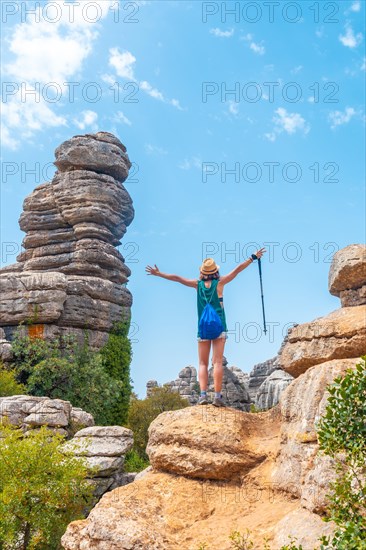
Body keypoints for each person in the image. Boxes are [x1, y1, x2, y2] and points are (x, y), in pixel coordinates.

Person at [145, 247, 266, 407]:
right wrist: (253, 258)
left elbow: (177, 278)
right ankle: (217, 397)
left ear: (202, 272)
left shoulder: (197, 285)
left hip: (202, 328)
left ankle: (202, 396)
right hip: (219, 327)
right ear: (215, 271)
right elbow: (237, 270)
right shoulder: (220, 283)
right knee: (216, 362)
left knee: (202, 363)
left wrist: (159, 274)